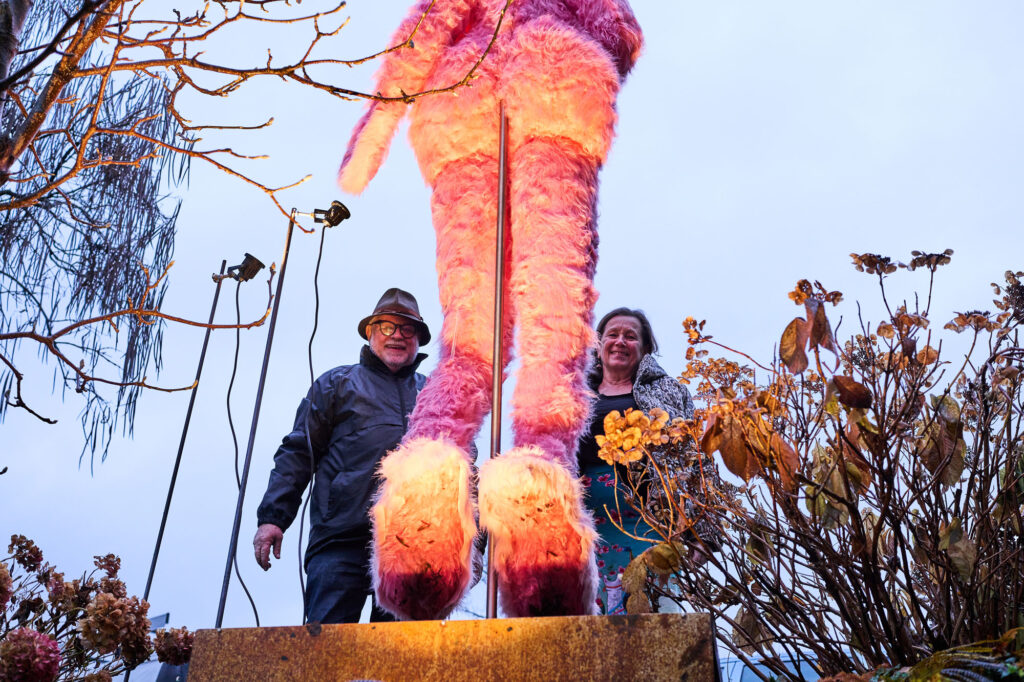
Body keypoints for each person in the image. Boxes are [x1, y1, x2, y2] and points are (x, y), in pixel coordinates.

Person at [252, 287, 430, 624]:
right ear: (370, 332)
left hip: (413, 546)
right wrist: (273, 517)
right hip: (340, 539)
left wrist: (474, 545)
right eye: (387, 327)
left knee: (401, 660)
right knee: (326, 653)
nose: (397, 336)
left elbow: (462, 468)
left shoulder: (434, 393)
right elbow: (297, 453)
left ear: (418, 339)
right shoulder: (336, 383)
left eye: (408, 329)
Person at [578, 307, 712, 614]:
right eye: (612, 334)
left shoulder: (669, 392)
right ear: (598, 344)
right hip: (587, 533)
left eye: (630, 336)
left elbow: (695, 460)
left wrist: (703, 534)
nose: (620, 341)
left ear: (646, 348)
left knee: (658, 624)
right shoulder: (574, 394)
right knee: (590, 634)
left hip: (651, 526)